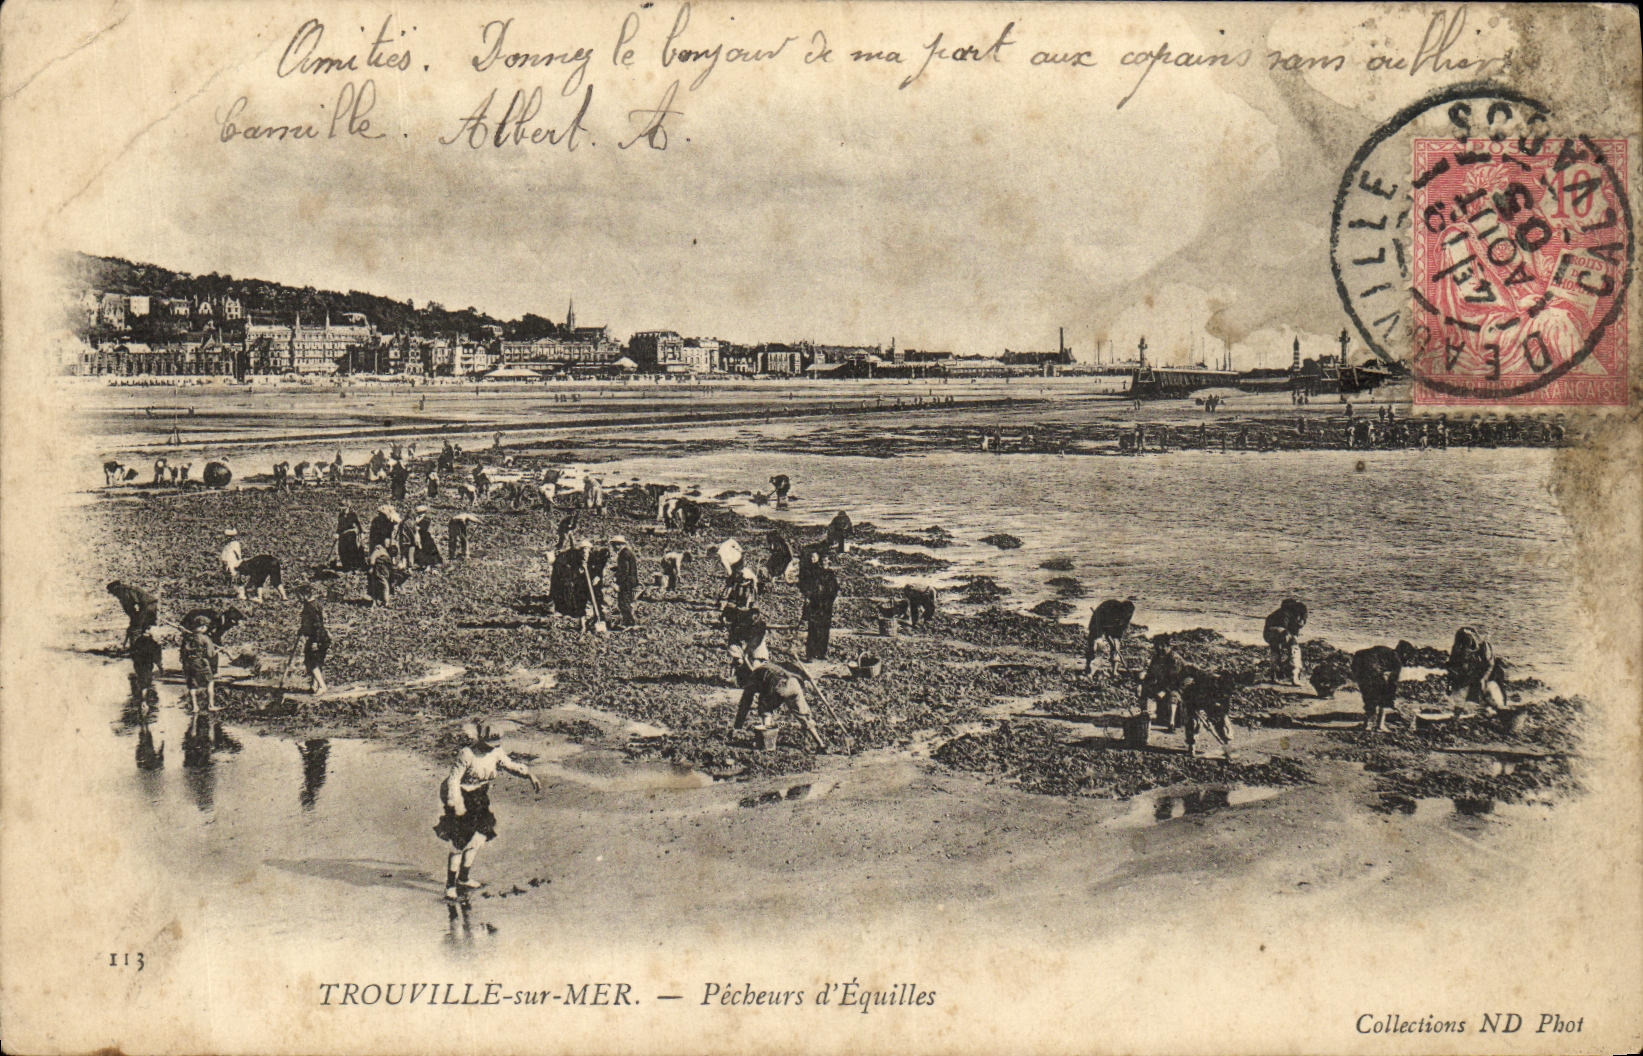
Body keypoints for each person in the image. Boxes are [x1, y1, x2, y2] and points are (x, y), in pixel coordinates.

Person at [434, 721, 541, 901]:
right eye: (487, 745)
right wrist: (456, 804)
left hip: (479, 794)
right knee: (460, 840)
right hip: (460, 794)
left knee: (480, 835)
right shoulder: (467, 754)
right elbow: (453, 781)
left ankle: (464, 878)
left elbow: (510, 765)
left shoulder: (496, 752)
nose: (491, 748)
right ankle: (450, 886)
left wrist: (529, 774)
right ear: (480, 739)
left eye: (495, 745)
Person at [730, 661, 826, 751]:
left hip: (779, 685)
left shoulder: (753, 678)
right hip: (794, 684)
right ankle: (820, 744)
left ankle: (767, 742)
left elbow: (745, 704)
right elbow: (789, 666)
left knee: (764, 708)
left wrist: (737, 727)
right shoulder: (767, 666)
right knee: (803, 715)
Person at [290, 586, 330, 695]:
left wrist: (315, 642)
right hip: (321, 637)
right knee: (315, 662)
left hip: (317, 638)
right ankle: (314, 686)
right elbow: (308, 623)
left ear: (304, 595)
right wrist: (302, 629)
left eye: (298, 596)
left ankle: (322, 686)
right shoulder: (314, 604)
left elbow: (317, 624)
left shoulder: (310, 607)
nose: (297, 598)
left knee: (312, 663)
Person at [1084, 599, 1136, 677]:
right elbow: (1100, 624)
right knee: (1096, 644)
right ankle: (1089, 669)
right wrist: (1104, 633)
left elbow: (1120, 630)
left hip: (1113, 626)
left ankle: (1114, 671)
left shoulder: (1128, 614)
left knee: (1116, 647)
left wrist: (1116, 642)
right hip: (1098, 621)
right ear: (1121, 610)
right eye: (1125, 613)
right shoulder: (1111, 608)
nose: (1127, 615)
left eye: (1129, 614)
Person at [179, 614, 220, 713]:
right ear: (202, 627)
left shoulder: (187, 638)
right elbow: (210, 654)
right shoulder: (205, 638)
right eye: (206, 627)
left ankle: (195, 707)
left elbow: (182, 653)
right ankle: (211, 705)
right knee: (210, 682)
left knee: (192, 685)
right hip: (201, 663)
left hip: (189, 663)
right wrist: (217, 651)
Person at [1262, 599, 1308, 686]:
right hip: (1281, 631)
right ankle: (1294, 676)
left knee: (1275, 649)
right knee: (1295, 649)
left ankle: (1273, 675)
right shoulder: (1294, 613)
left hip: (1268, 633)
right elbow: (1291, 628)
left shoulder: (1277, 613)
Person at [801, 559, 838, 662]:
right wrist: (811, 598)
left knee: (824, 630)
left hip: (826, 606)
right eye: (823, 562)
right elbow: (809, 588)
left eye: (826, 561)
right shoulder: (814, 573)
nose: (824, 564)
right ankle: (810, 655)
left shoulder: (830, 574)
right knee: (813, 629)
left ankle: (822, 653)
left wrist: (829, 600)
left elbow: (834, 589)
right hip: (815, 605)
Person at [106, 580, 159, 650]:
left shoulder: (125, 592)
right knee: (143, 628)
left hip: (147, 607)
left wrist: (135, 620)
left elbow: (133, 606)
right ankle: (147, 648)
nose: (113, 594)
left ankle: (135, 650)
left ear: (116, 589)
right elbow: (131, 609)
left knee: (135, 629)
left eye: (113, 592)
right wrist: (134, 618)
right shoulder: (126, 590)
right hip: (152, 606)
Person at [611, 537, 640, 629]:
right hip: (631, 580)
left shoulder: (624, 554)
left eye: (615, 545)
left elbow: (625, 571)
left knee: (623, 602)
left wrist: (618, 582)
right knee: (626, 601)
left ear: (620, 545)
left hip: (627, 582)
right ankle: (629, 621)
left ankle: (629, 623)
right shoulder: (628, 552)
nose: (614, 548)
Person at [129, 626, 162, 706]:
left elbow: (132, 652)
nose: (152, 631)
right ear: (147, 631)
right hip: (147, 664)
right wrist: (160, 666)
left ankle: (141, 699)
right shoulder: (151, 642)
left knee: (142, 679)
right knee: (146, 681)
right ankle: (144, 701)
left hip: (138, 664)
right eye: (150, 630)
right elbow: (156, 655)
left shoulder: (138, 640)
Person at [335, 506, 365, 572]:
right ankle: (346, 566)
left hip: (351, 533)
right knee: (342, 549)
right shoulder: (341, 515)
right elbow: (339, 526)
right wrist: (337, 533)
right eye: (341, 507)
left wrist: (361, 532)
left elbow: (358, 524)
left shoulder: (352, 515)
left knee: (351, 549)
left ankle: (354, 566)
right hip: (342, 534)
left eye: (343, 507)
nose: (341, 509)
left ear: (347, 507)